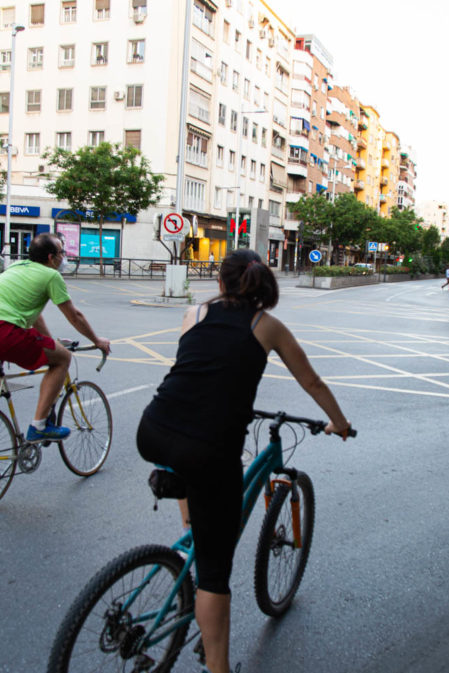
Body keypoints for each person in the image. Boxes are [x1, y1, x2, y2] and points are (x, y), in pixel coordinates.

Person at [136, 249, 351, 673]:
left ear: (221, 283)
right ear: (261, 286)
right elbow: (311, 380)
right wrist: (339, 422)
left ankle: (191, 531)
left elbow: (198, 370)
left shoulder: (193, 313)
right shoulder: (266, 325)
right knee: (215, 576)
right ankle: (218, 666)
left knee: (196, 493)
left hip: (154, 429)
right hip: (207, 448)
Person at [0, 232, 111, 502]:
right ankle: (38, 424)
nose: (63, 259)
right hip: (0, 331)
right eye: (61, 254)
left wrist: (49, 341)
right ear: (51, 258)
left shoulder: (17, 268)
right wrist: (96, 340)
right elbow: (74, 315)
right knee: (63, 359)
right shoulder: (51, 276)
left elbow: (34, 312)